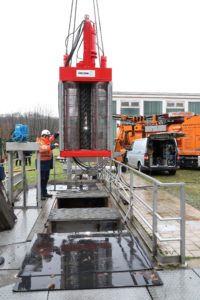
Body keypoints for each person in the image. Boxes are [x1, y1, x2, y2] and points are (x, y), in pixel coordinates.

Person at [36, 130, 59, 200]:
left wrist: (57, 133)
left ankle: (44, 193)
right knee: (41, 179)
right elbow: (44, 148)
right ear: (44, 136)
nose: (49, 137)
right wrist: (53, 145)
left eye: (49, 136)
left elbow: (51, 138)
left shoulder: (46, 140)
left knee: (46, 178)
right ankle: (40, 195)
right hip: (41, 162)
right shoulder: (39, 141)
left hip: (47, 162)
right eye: (48, 136)